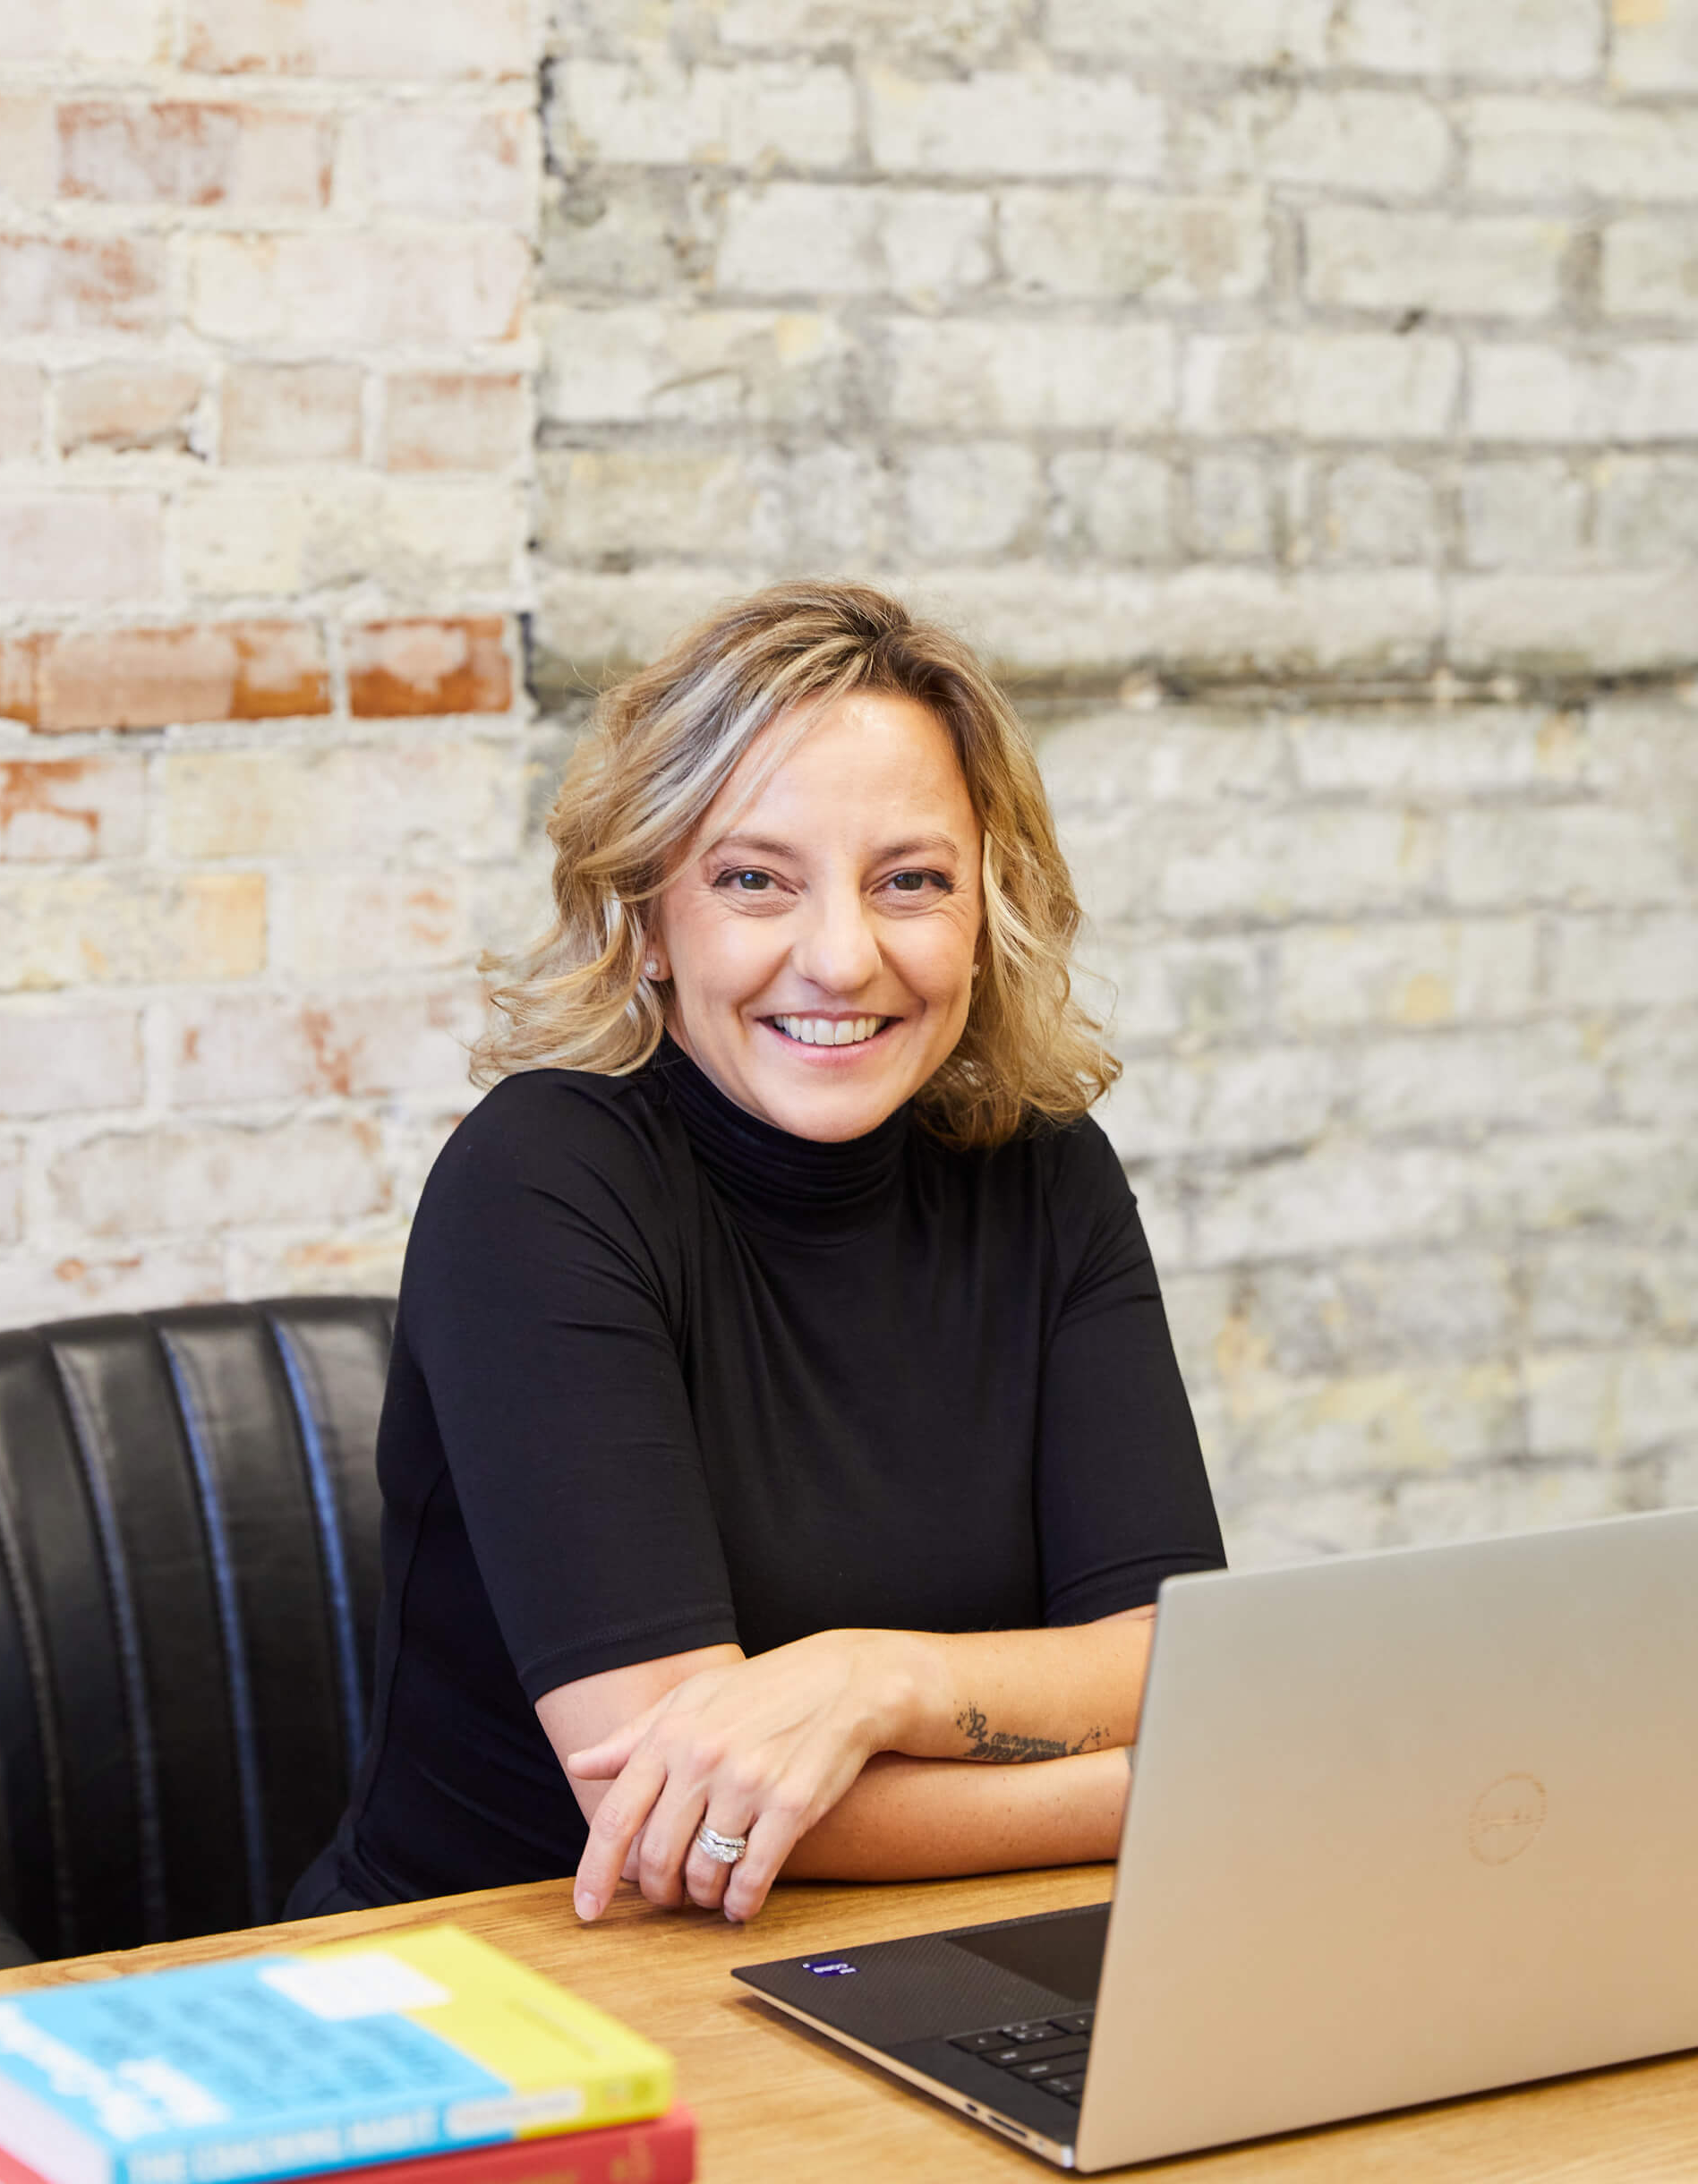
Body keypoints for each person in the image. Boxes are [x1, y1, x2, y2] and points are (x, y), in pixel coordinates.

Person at [287, 580, 1224, 1928]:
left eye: (910, 881)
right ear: (649, 919)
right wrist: (1155, 1791)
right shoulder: (540, 1181)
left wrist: (876, 1682)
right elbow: (675, 1802)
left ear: (987, 911)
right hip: (510, 1984)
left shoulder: (1042, 1170)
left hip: (902, 1948)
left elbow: (1167, 1657)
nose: (841, 957)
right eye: (753, 880)